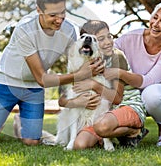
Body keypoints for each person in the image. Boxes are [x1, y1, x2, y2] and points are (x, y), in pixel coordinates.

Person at [0, 0, 102, 146]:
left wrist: (95, 67)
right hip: (7, 82)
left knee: (31, 142)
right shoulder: (24, 29)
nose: (59, 20)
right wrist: (80, 75)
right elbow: (43, 78)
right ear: (39, 10)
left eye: (62, 13)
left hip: (33, 88)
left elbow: (76, 61)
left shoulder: (70, 30)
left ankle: (19, 122)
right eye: (53, 15)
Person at [103, 0, 161, 147]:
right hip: (132, 94)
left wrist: (119, 73)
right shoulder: (131, 38)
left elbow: (150, 80)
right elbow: (107, 54)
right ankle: (134, 130)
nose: (155, 24)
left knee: (152, 94)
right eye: (155, 17)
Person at [58, 20, 147, 149]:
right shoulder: (78, 63)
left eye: (109, 36)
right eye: (100, 39)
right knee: (80, 144)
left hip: (127, 105)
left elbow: (116, 99)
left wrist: (93, 84)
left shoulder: (117, 56)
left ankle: (134, 131)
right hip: (103, 116)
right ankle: (103, 134)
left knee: (102, 126)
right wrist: (77, 102)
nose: (107, 42)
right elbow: (62, 101)